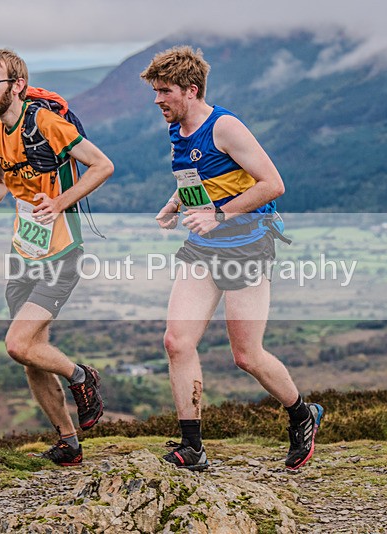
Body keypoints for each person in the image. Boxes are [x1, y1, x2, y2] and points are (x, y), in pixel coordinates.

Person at [141, 46, 323, 471]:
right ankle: (192, 447)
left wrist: (219, 214)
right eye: (155, 91)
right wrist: (175, 203)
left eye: (165, 91)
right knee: (176, 341)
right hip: (203, 248)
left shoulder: (225, 127)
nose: (157, 100)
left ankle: (302, 414)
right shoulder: (177, 127)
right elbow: (200, 176)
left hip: (247, 247)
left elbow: (273, 184)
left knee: (247, 356)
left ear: (191, 90)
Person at [0, 48, 114, 466]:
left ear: (18, 85)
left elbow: (102, 166)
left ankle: (81, 376)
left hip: (61, 252)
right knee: (31, 356)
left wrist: (61, 202)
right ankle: (68, 442)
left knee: (17, 344)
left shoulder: (45, 123)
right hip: (23, 253)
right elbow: (0, 181)